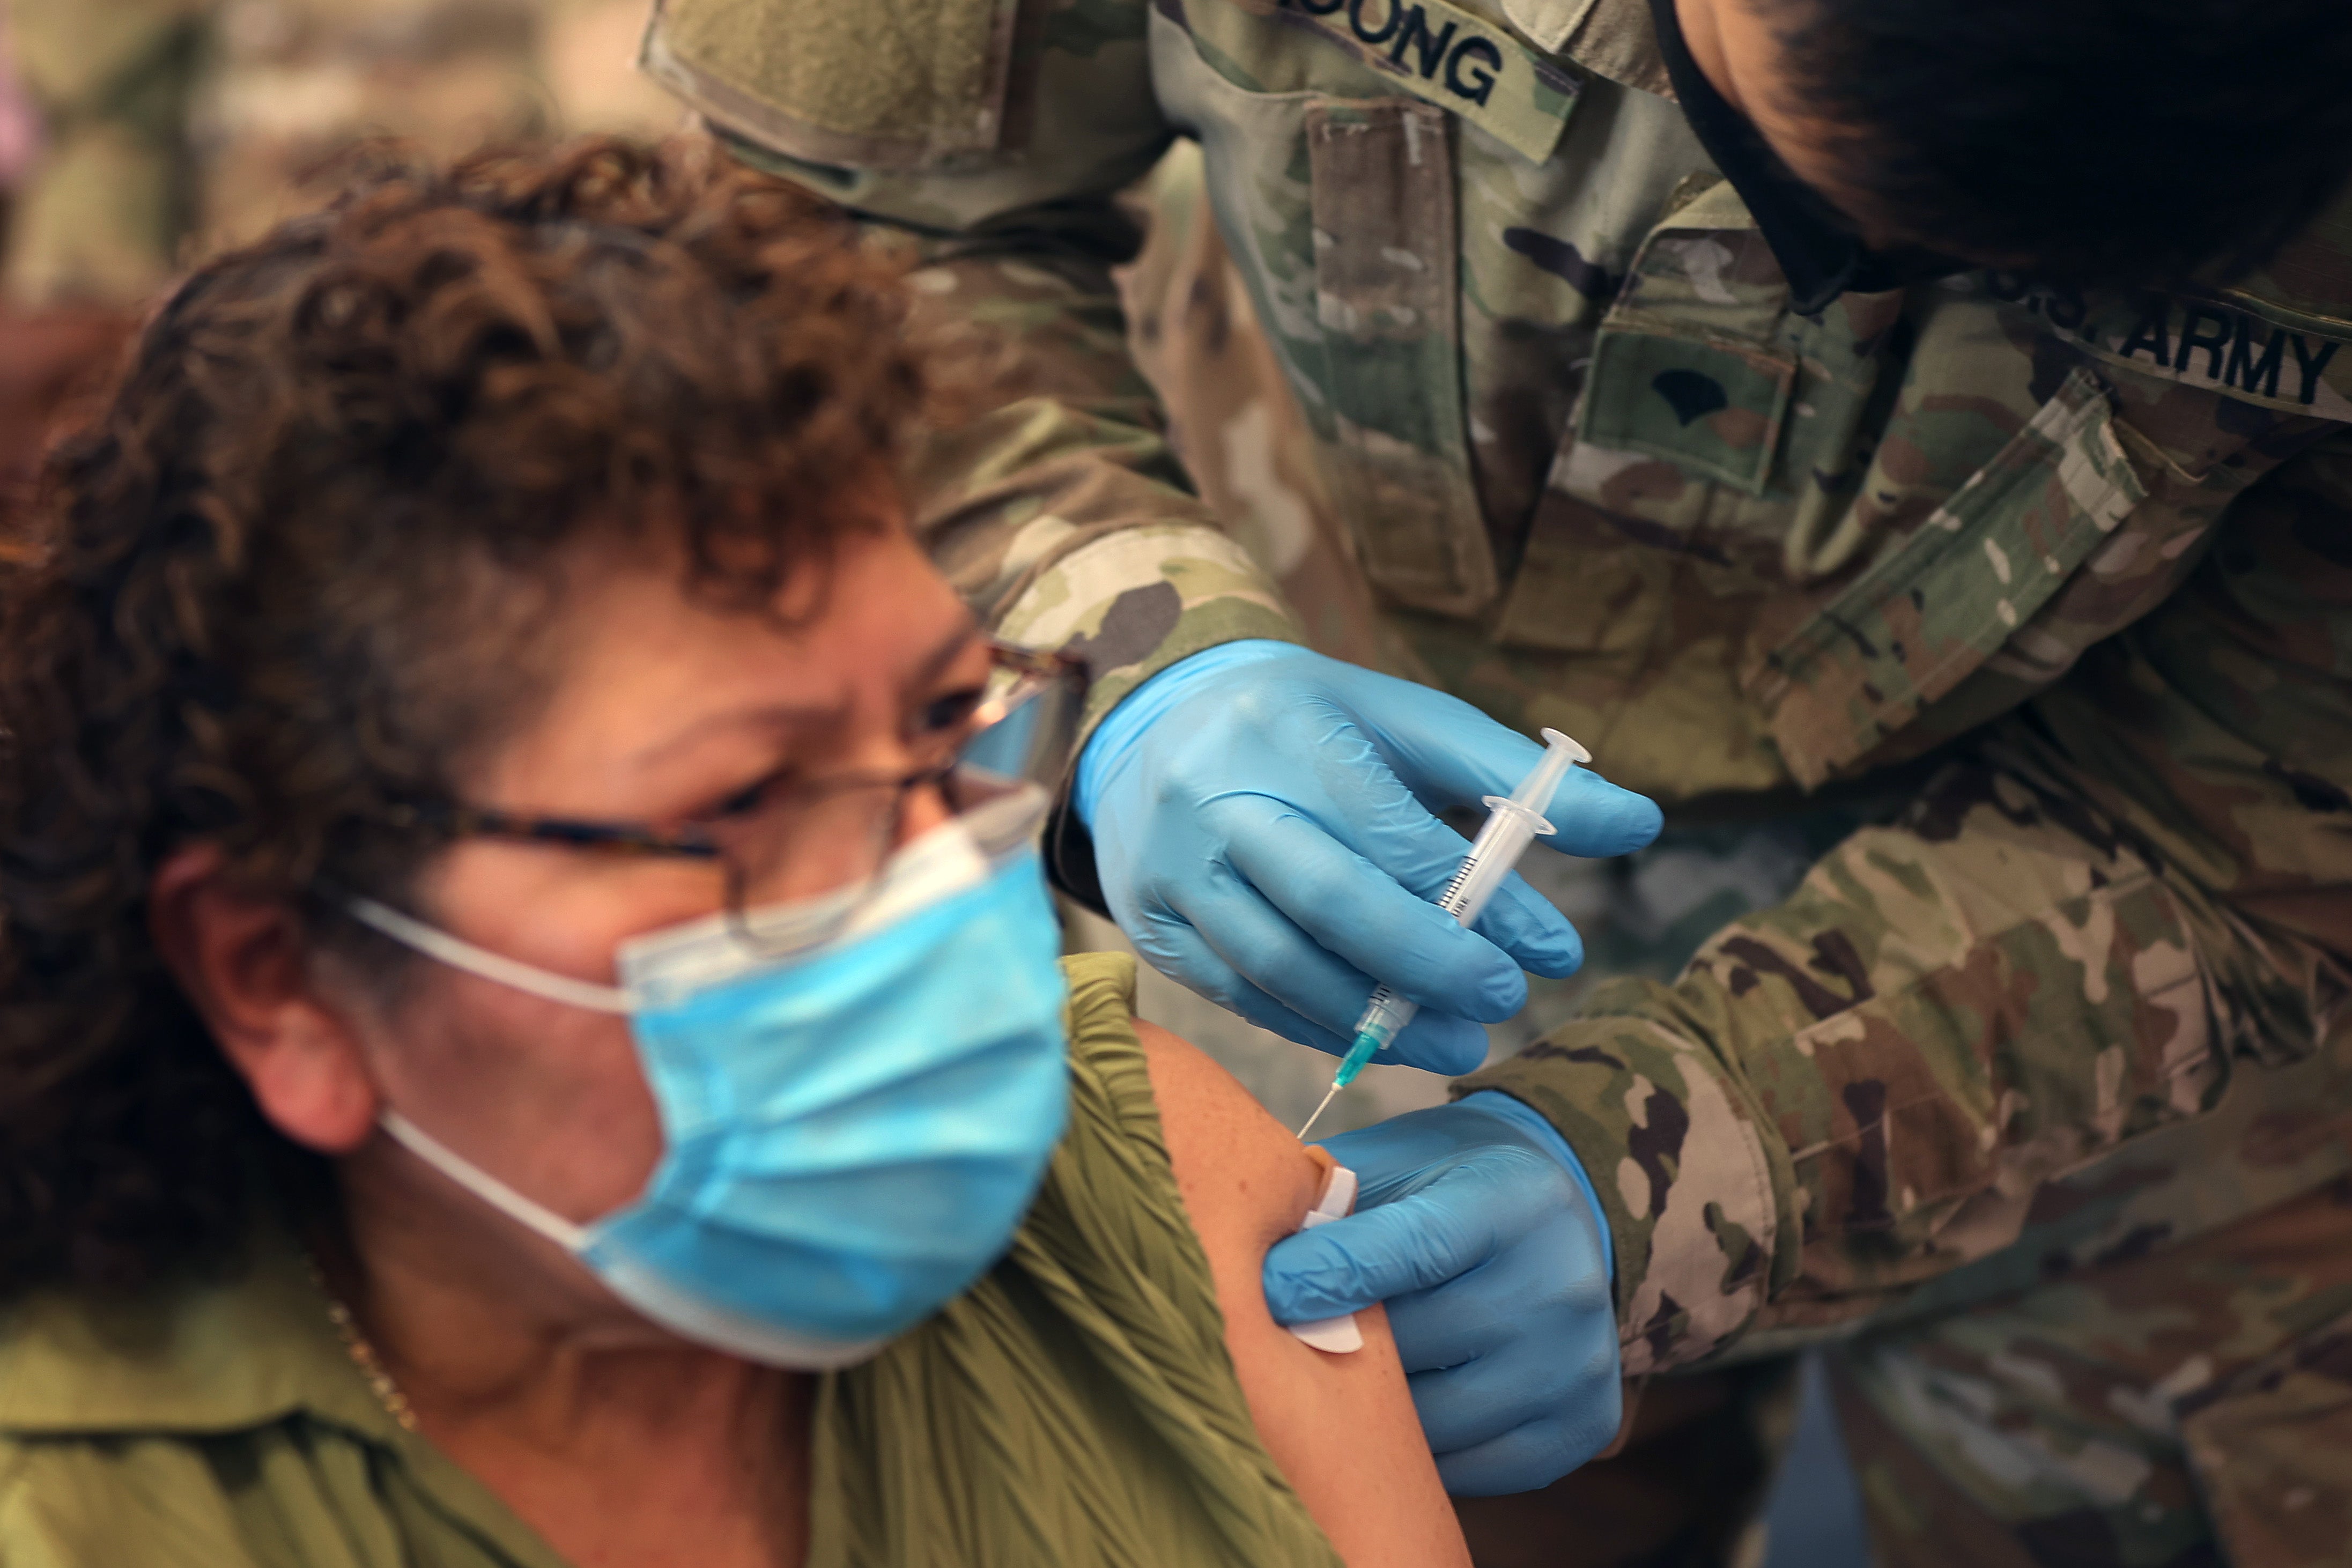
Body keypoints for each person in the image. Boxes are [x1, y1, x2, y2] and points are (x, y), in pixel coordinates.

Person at [633, 0, 2352, 1556]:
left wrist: (1695, 1169)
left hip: (2150, 1068)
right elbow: (825, 222)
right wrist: (1119, 644)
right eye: (1777, 152)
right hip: (1319, 782)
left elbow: (2242, 820)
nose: (1847, 279)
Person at [0, 137, 1472, 1568]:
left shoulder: (1159, 1182)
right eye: (750, 804)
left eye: (946, 723)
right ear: (281, 979)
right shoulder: (83, 1510)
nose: (940, 886)